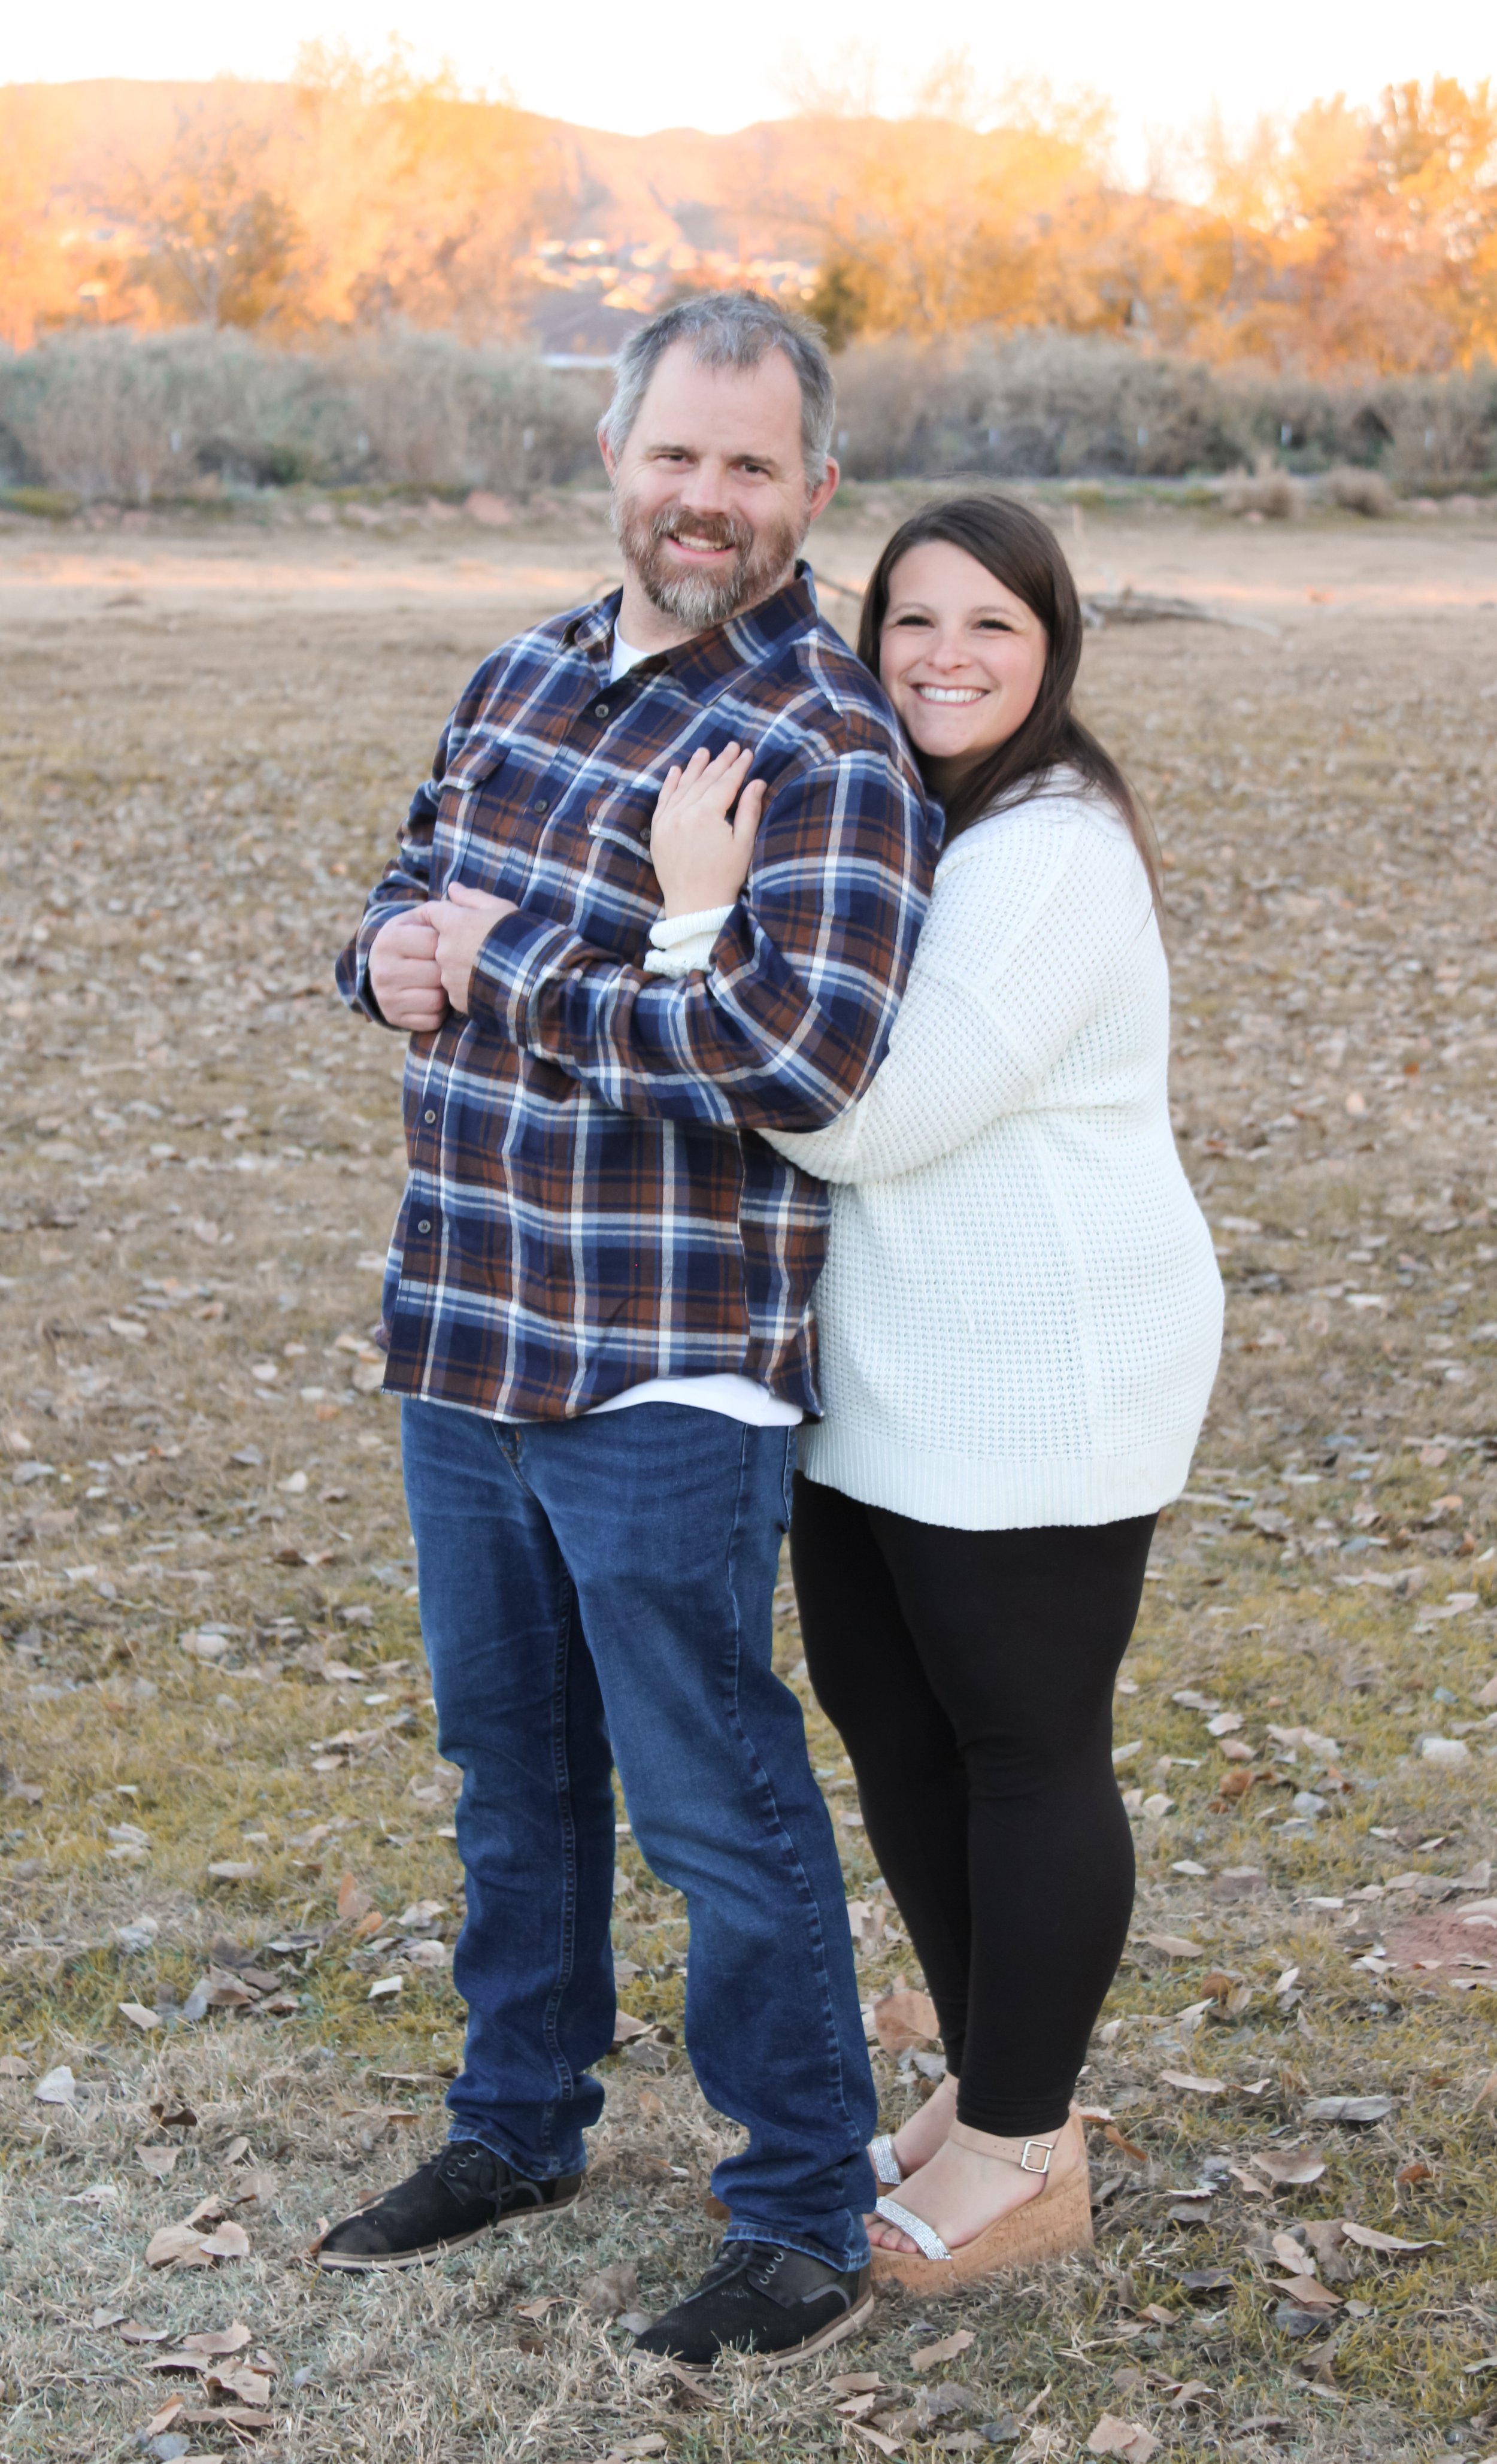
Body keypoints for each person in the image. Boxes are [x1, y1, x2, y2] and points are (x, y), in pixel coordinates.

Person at [322, 291, 936, 2366]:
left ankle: (795, 2210)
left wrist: (508, 974)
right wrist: (396, 957)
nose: (706, 498)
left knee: (711, 1796)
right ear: (617, 454)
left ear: (812, 494)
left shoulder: (822, 742)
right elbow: (404, 901)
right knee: (510, 1767)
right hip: (466, 1325)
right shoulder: (516, 674)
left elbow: (788, 1051)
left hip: (667, 1364)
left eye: (752, 466)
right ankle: (520, 2119)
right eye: (678, 452)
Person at [644, 493, 1223, 2291]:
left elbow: (877, 1114)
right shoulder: (924, 813)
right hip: (889, 1360)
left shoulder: (1047, 842)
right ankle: (991, 2083)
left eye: (990, 625)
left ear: (1052, 647)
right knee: (900, 1733)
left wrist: (692, 932)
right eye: (911, 620)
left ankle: (1027, 2151)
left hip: (1040, 1363)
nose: (943, 656)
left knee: (1021, 1748)